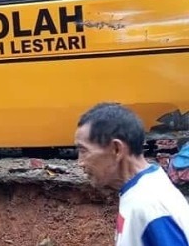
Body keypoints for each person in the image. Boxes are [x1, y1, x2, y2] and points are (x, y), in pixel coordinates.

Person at [75, 103, 189, 246]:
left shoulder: (150, 205)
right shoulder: (139, 191)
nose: (80, 162)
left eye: (84, 151)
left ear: (116, 149)